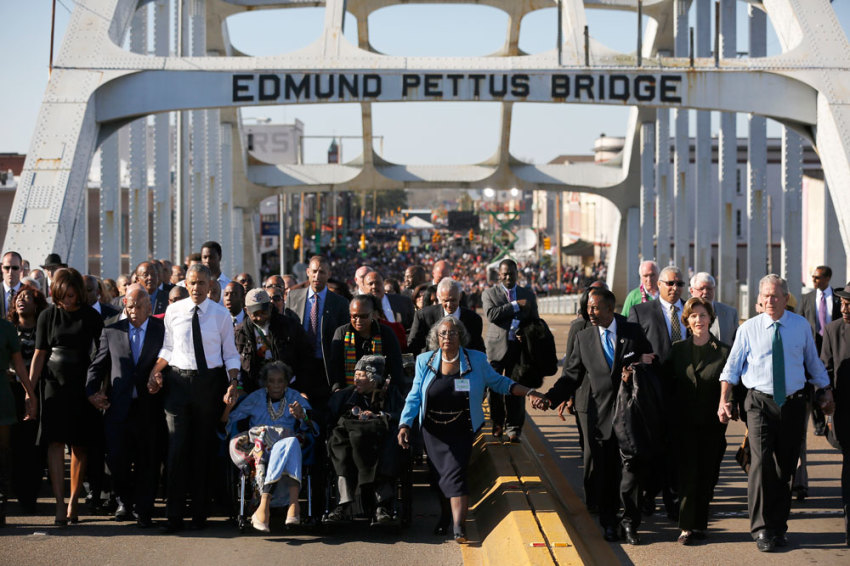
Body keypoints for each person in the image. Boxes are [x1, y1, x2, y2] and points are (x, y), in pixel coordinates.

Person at [398, 316, 547, 543]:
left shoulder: (475, 360)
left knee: (456, 474)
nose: (447, 337)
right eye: (443, 333)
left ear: (461, 336)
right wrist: (405, 423)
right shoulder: (424, 361)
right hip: (433, 431)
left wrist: (529, 392)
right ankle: (445, 516)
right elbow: (415, 396)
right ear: (436, 338)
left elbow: (499, 383)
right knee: (438, 478)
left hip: (462, 427)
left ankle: (459, 527)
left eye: (452, 333)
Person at [718, 274, 834, 553]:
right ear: (760, 299)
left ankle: (779, 526)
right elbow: (731, 368)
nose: (770, 300)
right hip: (759, 403)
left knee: (785, 465)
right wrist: (723, 400)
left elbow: (812, 361)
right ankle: (761, 529)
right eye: (765, 296)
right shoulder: (749, 330)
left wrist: (825, 388)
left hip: (793, 403)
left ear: (785, 298)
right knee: (760, 464)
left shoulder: (800, 326)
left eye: (775, 296)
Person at [534, 288, 654, 545]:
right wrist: (549, 398)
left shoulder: (632, 332)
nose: (591, 312)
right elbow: (570, 377)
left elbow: (651, 360)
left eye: (597, 308)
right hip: (600, 419)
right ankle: (609, 523)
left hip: (630, 416)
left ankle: (631, 523)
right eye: (589, 307)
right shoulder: (584, 337)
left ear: (611, 310)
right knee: (606, 474)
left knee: (631, 473)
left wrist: (636, 369)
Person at [147, 264, 240, 533]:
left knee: (202, 450)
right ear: (185, 284)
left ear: (210, 285)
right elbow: (168, 347)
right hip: (177, 383)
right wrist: (155, 371)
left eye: (201, 283)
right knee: (176, 449)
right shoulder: (174, 312)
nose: (197, 288)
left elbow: (230, 354)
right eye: (192, 283)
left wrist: (233, 382)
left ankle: (200, 514)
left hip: (209, 385)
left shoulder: (221, 315)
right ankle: (173, 516)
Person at [28, 267, 104, 525]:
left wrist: (99, 388)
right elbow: (39, 354)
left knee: (80, 445)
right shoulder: (47, 316)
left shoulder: (92, 316)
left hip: (83, 384)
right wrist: (30, 390)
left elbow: (102, 355)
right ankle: (59, 504)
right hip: (53, 385)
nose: (69, 301)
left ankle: (74, 501)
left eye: (73, 296)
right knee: (55, 443)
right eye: (64, 296)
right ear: (56, 293)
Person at [85, 285, 165, 528]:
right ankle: (123, 501)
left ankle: (144, 507)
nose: (132, 311)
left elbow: (170, 362)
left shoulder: (161, 330)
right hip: (118, 406)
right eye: (128, 306)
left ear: (149, 307)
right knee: (117, 458)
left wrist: (161, 379)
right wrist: (90, 391)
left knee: (147, 460)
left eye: (138, 306)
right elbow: (97, 365)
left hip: (149, 407)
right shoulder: (111, 331)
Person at [660, 297, 730, 545]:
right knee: (688, 475)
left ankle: (700, 524)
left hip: (712, 426)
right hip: (683, 425)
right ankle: (687, 527)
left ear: (710, 318)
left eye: (702, 315)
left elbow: (732, 382)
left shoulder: (724, 351)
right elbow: (665, 384)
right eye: (693, 316)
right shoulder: (677, 350)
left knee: (708, 476)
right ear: (687, 321)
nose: (698, 320)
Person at [224, 361, 315, 532]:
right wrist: (228, 408)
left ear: (286, 382)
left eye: (280, 381)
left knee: (290, 441)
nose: (275, 385)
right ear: (265, 382)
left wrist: (302, 416)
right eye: (271, 381)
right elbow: (230, 421)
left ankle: (264, 504)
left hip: (286, 443)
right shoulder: (255, 397)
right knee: (277, 438)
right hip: (260, 445)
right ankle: (293, 506)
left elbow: (312, 427)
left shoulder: (295, 397)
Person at [629, 264, 687, 519]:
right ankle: (647, 497)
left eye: (679, 284)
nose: (675, 288)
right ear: (659, 285)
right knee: (651, 449)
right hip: (652, 392)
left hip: (683, 392)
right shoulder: (641, 312)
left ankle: (675, 503)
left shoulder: (693, 311)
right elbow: (628, 349)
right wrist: (638, 357)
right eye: (670, 283)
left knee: (677, 451)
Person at [325, 355, 403, 525]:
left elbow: (401, 415)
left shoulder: (390, 394)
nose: (355, 379)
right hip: (348, 438)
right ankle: (343, 503)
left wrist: (378, 415)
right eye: (355, 375)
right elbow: (329, 418)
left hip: (379, 439)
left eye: (360, 375)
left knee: (389, 447)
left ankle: (382, 505)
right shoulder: (345, 395)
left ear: (373, 379)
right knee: (339, 444)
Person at [483, 258, 538, 442]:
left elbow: (535, 321)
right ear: (499, 275)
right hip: (496, 349)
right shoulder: (489, 293)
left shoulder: (528, 294)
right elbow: (491, 315)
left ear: (517, 274)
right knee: (495, 389)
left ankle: (514, 428)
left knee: (516, 390)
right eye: (504, 274)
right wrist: (515, 305)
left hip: (518, 349)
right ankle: (497, 423)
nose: (508, 277)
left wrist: (527, 333)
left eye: (511, 274)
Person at [286, 256, 350, 405]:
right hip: (300, 366)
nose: (317, 276)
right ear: (307, 272)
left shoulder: (340, 303)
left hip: (326, 368)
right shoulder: (292, 297)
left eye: (322, 272)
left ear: (329, 274)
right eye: (314, 271)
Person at [8, 285, 48, 514]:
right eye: (18, 298)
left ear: (36, 304)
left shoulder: (43, 329)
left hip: (38, 392)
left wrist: (30, 391)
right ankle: (17, 492)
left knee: (34, 446)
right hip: (12, 392)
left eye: (27, 298)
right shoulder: (9, 329)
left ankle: (30, 494)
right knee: (15, 445)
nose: (22, 301)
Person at [819, 282, 850, 546]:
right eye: (842, 302)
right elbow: (824, 369)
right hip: (844, 413)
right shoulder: (832, 330)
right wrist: (826, 395)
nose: (845, 307)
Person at [235, 289, 312, 394]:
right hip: (255, 390)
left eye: (264, 312)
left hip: (288, 388)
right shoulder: (240, 333)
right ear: (246, 310)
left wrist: (302, 389)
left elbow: (305, 358)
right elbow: (235, 363)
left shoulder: (290, 326)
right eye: (255, 314)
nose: (260, 317)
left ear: (270, 307)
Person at [0, 293, 35, 526]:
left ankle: (1, 505)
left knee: (2, 454)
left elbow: (20, 365)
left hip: (2, 399)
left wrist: (30, 393)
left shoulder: (6, 329)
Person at [330, 295, 404, 393]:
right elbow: (335, 366)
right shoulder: (342, 333)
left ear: (373, 314)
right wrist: (338, 389)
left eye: (364, 316)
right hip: (348, 392)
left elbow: (396, 367)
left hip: (380, 392)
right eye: (354, 316)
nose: (358, 321)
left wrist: (391, 389)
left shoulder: (386, 333)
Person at [407, 278, 484, 355]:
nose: (449, 305)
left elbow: (478, 349)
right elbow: (413, 346)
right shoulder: (424, 316)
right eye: (445, 300)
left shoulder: (474, 319)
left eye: (453, 300)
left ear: (460, 296)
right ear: (439, 297)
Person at [688, 272, 739, 345]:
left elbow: (737, 342)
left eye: (709, 289)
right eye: (701, 289)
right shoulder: (683, 312)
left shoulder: (730, 313)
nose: (705, 292)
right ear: (692, 291)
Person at [0, 251, 24, 320]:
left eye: (15, 268)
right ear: (2, 268)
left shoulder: (29, 292)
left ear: (21, 269)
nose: (10, 272)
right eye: (7, 268)